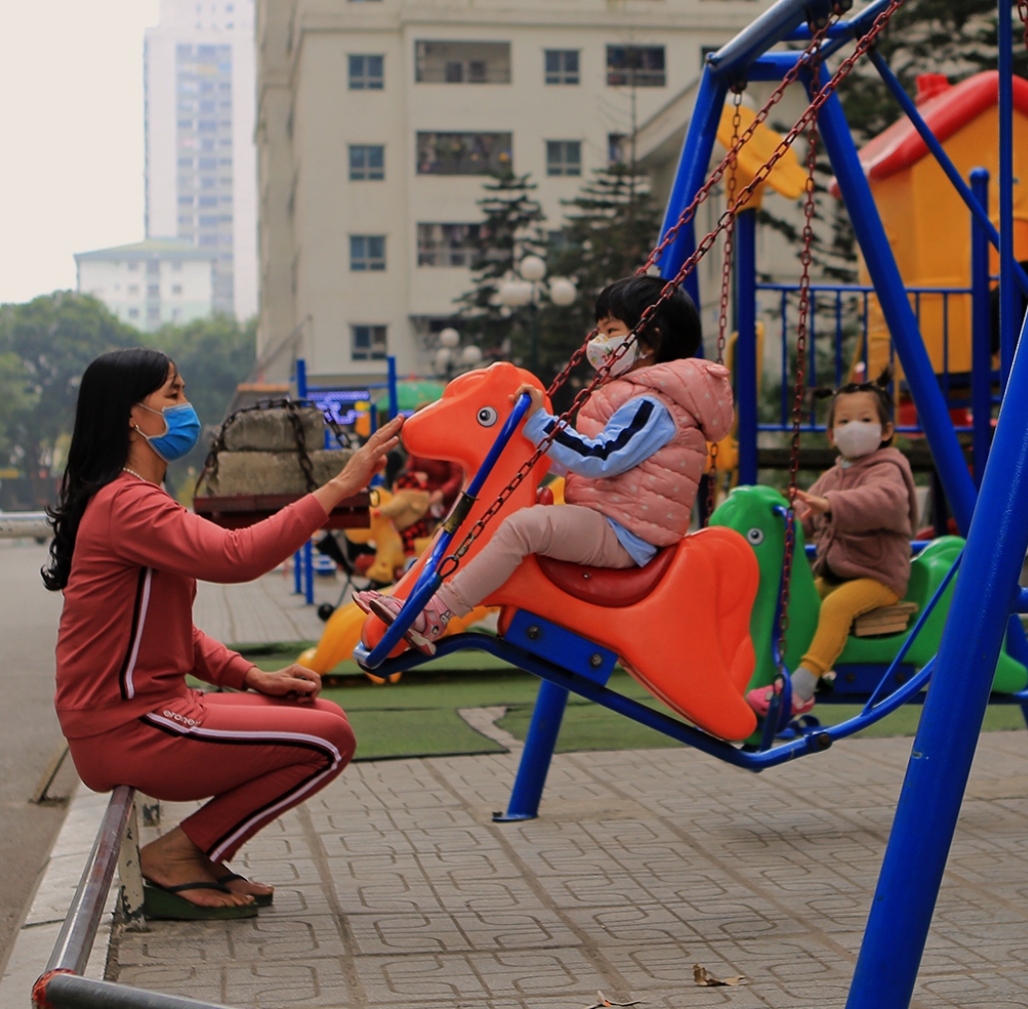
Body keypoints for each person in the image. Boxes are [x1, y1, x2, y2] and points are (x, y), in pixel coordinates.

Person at [48, 348, 402, 917]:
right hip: (128, 726)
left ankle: (199, 856)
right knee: (328, 740)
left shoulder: (136, 497)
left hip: (146, 713)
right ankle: (178, 857)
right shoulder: (126, 503)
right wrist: (340, 485)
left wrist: (251, 675)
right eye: (173, 393)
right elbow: (238, 556)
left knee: (325, 717)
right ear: (131, 416)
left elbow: (172, 632)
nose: (187, 406)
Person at [355, 276, 734, 651]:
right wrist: (529, 448)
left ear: (649, 341)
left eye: (610, 331)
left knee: (524, 527)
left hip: (627, 534)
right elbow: (591, 466)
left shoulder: (653, 407)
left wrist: (539, 423)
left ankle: (435, 613)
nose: (598, 342)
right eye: (599, 330)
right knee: (511, 519)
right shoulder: (637, 397)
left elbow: (599, 459)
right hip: (613, 520)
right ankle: (418, 595)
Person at [748, 382, 917, 717]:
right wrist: (783, 520)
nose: (854, 428)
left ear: (886, 431)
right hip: (837, 573)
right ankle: (781, 672)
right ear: (831, 435)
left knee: (835, 607)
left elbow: (884, 502)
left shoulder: (888, 469)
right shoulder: (833, 476)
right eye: (843, 421)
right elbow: (808, 513)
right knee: (800, 602)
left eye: (865, 420)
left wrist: (830, 505)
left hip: (879, 577)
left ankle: (802, 687)